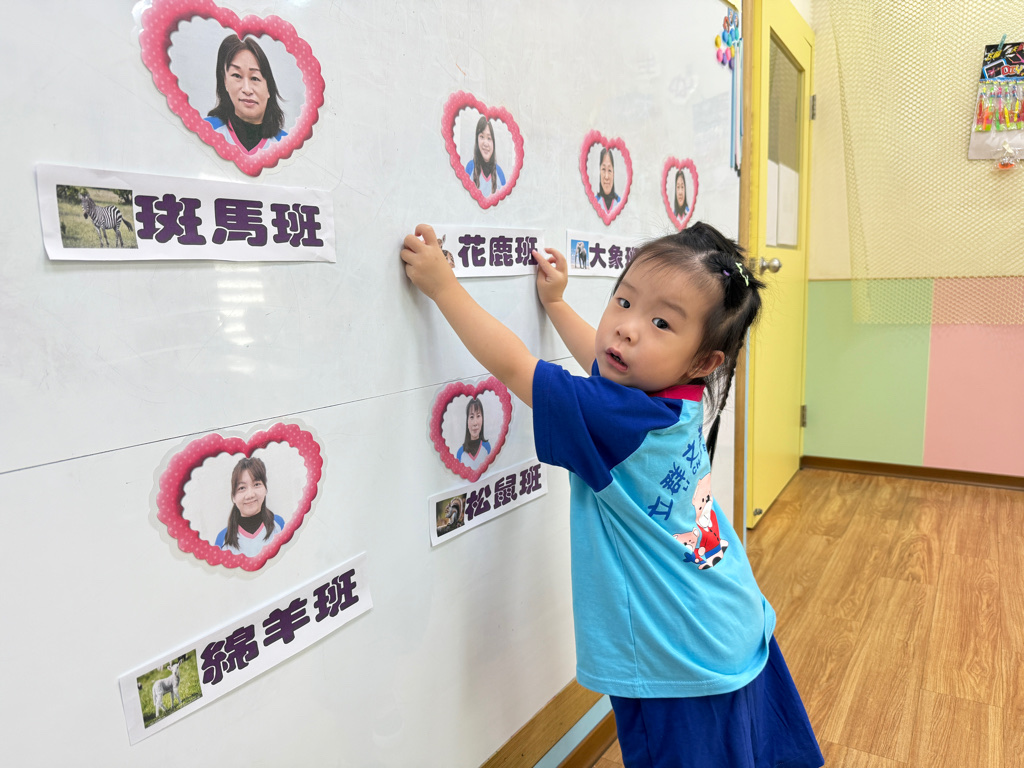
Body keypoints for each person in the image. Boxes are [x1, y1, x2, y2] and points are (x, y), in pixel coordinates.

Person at [400, 222, 823, 768]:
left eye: (661, 322)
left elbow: (515, 366)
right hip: (729, 619)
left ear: (704, 361)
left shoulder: (619, 420)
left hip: (677, 657)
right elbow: (604, 365)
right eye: (623, 301)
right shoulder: (677, 397)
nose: (626, 328)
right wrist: (556, 305)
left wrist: (443, 287)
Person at [205, 35, 287, 154]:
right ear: (225, 81)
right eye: (237, 76)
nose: (247, 90)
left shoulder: (287, 145)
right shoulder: (204, 131)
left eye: (255, 78)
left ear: (269, 89)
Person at [215, 457, 286, 557]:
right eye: (242, 488)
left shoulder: (279, 525)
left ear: (265, 489)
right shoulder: (222, 539)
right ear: (233, 497)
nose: (250, 495)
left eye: (256, 484)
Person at [464, 117, 506, 195]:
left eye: (489, 138)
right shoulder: (470, 168)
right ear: (477, 140)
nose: (485, 143)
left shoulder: (499, 173)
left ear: (493, 143)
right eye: (482, 137)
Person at [455, 397, 491, 470]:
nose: (475, 423)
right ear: (467, 421)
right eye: (471, 417)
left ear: (482, 419)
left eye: (478, 416)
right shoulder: (460, 453)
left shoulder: (487, 447)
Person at [596, 148, 620, 213]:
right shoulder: (593, 203)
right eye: (603, 169)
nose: (606, 177)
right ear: (600, 172)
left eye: (609, 170)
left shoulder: (620, 204)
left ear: (613, 174)